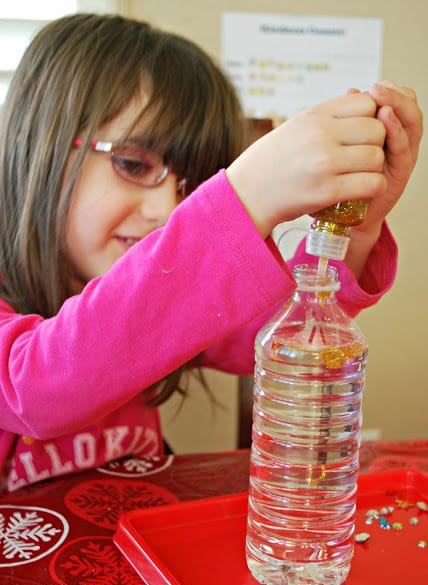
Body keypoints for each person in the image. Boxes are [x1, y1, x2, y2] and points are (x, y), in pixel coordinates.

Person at [0, 13, 422, 491]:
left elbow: (281, 330)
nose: (165, 209)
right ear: (36, 144)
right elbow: (35, 385)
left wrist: (353, 229)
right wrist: (243, 199)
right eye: (135, 165)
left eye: (193, 187)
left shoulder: (168, 303)